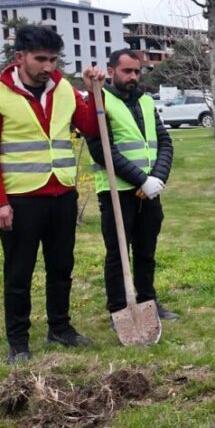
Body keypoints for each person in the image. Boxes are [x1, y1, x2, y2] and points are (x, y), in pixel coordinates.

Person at [0, 25, 106, 365]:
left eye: (53, 59)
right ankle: (18, 341)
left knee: (61, 267)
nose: (48, 67)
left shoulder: (64, 89)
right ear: (20, 57)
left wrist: (95, 93)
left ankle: (60, 328)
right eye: (41, 59)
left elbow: (91, 127)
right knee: (19, 272)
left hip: (62, 194)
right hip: (21, 199)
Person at [86, 49, 179, 326]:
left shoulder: (146, 102)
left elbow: (164, 142)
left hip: (150, 190)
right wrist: (140, 179)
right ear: (111, 71)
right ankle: (119, 309)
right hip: (117, 191)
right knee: (118, 254)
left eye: (137, 71)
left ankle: (148, 301)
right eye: (127, 71)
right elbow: (101, 150)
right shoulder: (100, 101)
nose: (133, 76)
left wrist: (156, 178)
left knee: (146, 250)